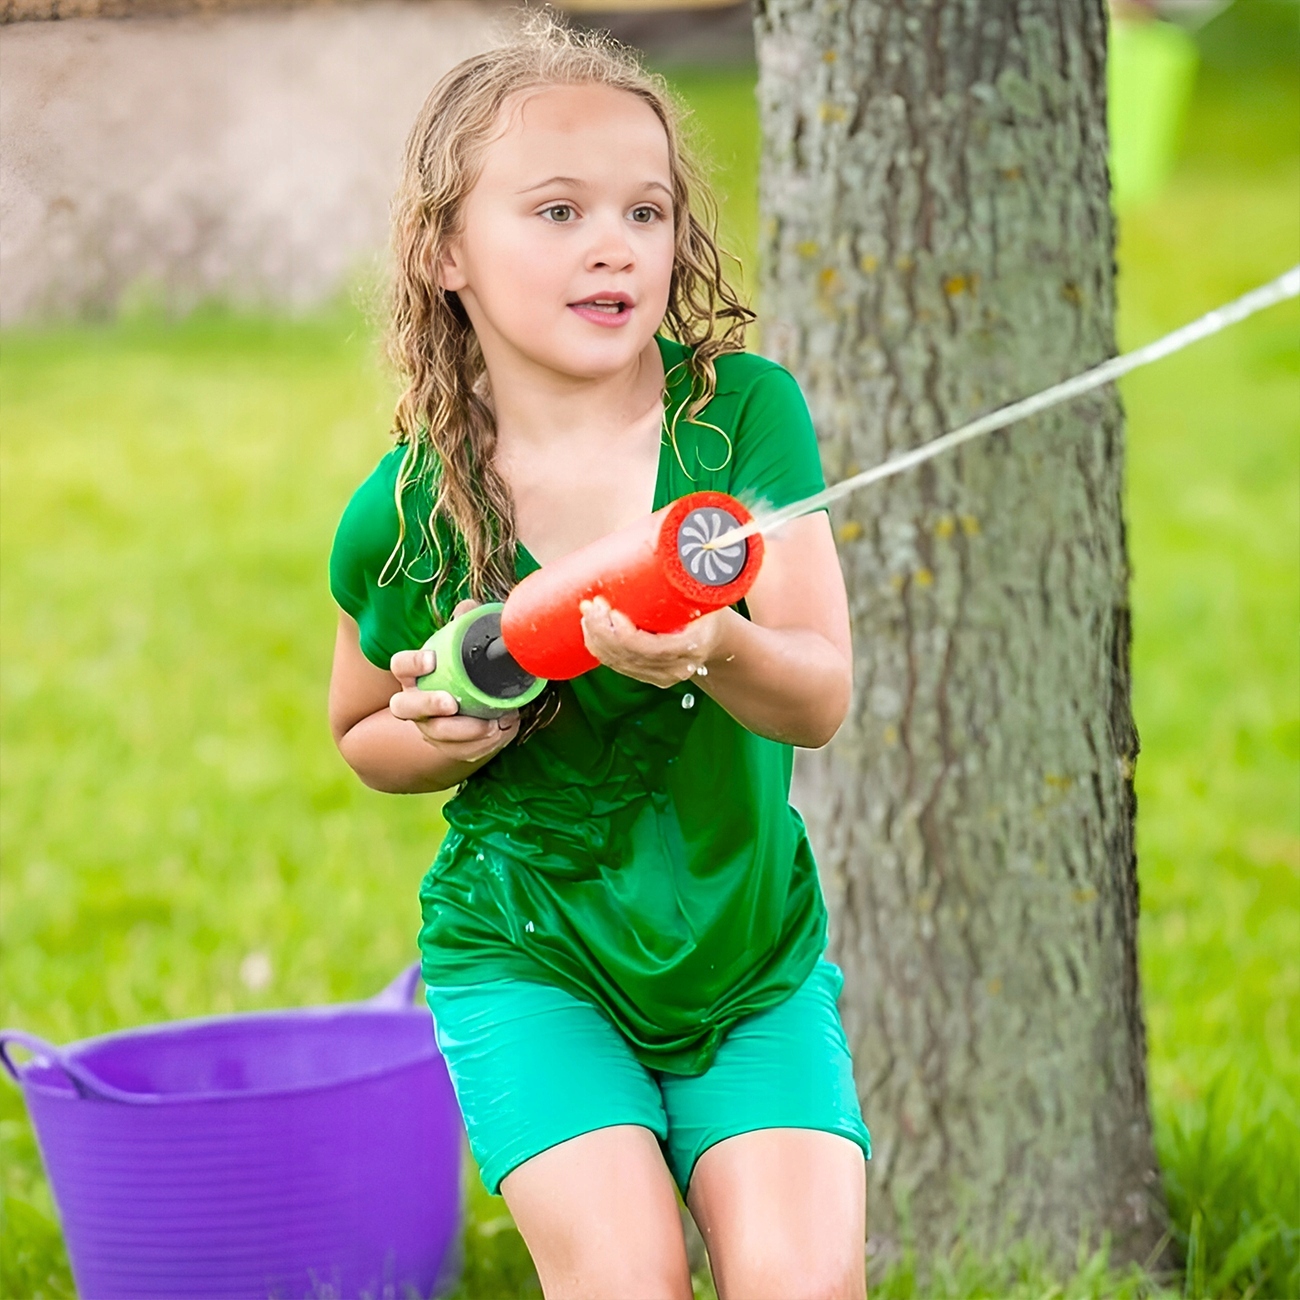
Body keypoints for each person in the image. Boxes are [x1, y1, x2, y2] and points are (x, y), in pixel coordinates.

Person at [328, 16, 870, 1298]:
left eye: (645, 210)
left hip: (746, 956)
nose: (613, 243)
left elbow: (821, 696)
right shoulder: (403, 509)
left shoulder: (739, 415)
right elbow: (360, 729)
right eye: (558, 211)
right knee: (626, 1279)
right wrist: (443, 732)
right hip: (529, 951)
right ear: (446, 250)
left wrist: (719, 646)